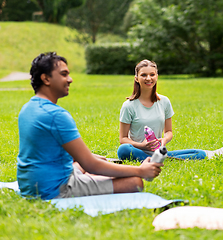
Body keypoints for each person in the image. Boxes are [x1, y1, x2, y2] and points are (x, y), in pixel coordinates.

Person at [17, 52, 163, 200]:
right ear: (46, 79)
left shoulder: (27, 108)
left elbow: (49, 152)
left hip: (30, 184)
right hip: (54, 189)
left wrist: (92, 159)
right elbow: (91, 165)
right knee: (134, 182)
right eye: (64, 74)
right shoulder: (56, 115)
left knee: (96, 161)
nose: (70, 79)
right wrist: (140, 171)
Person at [117, 59, 206, 162]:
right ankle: (161, 160)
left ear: (157, 76)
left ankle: (159, 159)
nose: (148, 78)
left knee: (200, 153)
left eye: (152, 74)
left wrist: (164, 140)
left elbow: (169, 131)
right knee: (123, 150)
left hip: (158, 151)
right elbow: (123, 139)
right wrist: (142, 145)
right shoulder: (128, 106)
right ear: (136, 78)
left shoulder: (164, 101)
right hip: (137, 150)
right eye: (144, 75)